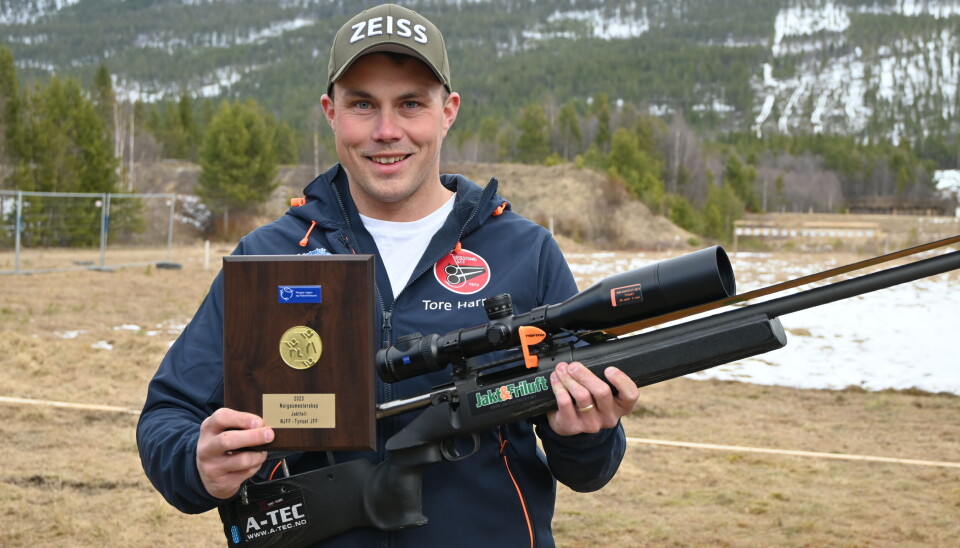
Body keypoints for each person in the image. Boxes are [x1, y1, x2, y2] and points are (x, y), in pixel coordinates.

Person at [137, 4, 640, 547]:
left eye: (410, 104)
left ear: (447, 111)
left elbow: (590, 468)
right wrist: (197, 461)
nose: (386, 130)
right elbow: (169, 415)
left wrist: (586, 432)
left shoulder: (526, 252)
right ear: (330, 112)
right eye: (361, 104)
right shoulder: (271, 256)